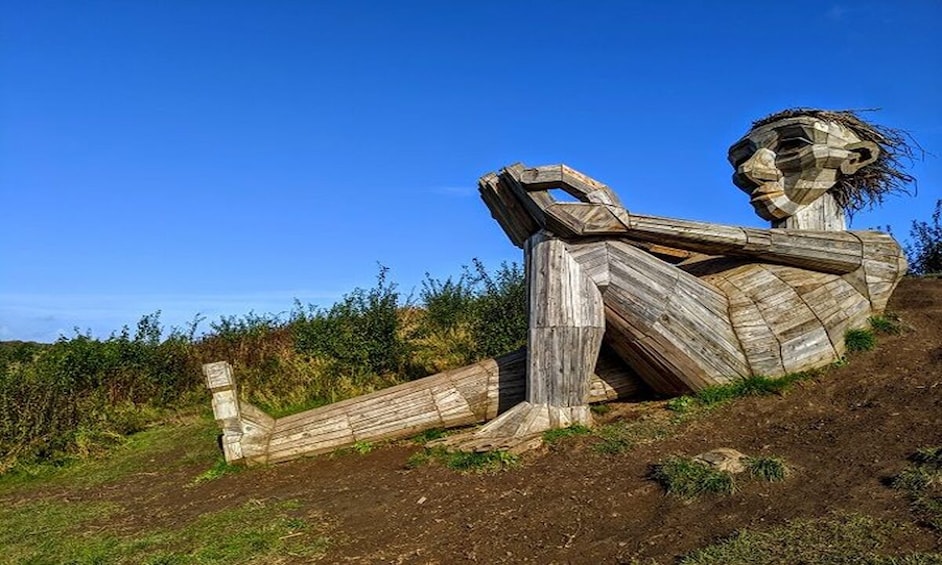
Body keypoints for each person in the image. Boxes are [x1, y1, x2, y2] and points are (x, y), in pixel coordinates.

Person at [464, 109, 912, 448]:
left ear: (854, 159)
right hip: (678, 347)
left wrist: (626, 222)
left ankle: (553, 409)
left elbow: (763, 245)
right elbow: (654, 269)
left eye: (792, 146)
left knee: (590, 254)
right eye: (742, 157)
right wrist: (535, 226)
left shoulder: (874, 250)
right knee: (473, 382)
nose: (752, 170)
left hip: (736, 354)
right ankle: (548, 393)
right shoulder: (715, 261)